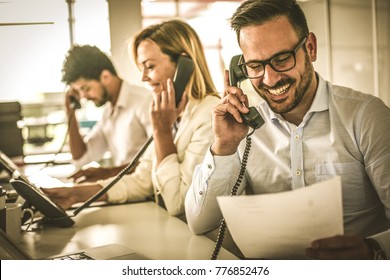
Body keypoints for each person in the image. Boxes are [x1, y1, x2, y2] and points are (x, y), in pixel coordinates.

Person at [185, 0, 390, 259]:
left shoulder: (367, 117)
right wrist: (223, 146)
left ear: (310, 48)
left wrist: (373, 249)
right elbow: (199, 222)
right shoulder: (244, 129)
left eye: (282, 59)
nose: (270, 79)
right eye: (256, 66)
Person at [43, 19, 220, 217]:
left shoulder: (209, 114)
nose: (143, 77)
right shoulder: (172, 112)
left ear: (184, 65)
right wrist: (74, 194)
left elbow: (177, 202)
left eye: (150, 66)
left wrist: (162, 132)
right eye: (141, 68)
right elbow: (142, 180)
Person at [61, 45, 153, 183]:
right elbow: (81, 158)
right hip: (125, 191)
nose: (84, 97)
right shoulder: (108, 112)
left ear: (105, 77)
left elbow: (157, 161)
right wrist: (70, 112)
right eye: (79, 92)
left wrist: (107, 173)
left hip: (148, 195)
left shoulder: (144, 101)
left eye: (86, 88)